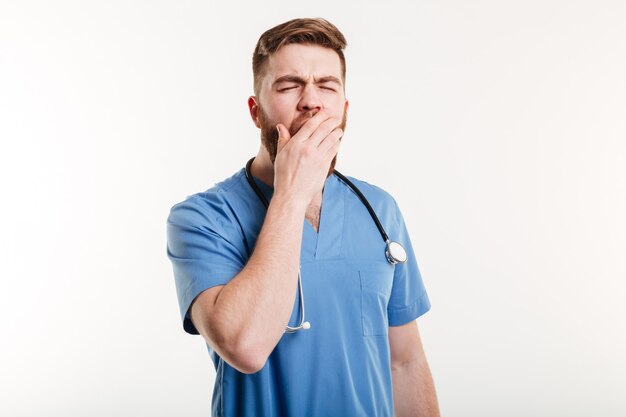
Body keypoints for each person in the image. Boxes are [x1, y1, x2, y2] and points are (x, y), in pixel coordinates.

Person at [167, 17, 440, 417]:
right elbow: (245, 347)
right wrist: (292, 195)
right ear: (255, 110)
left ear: (343, 109)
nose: (311, 100)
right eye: (290, 84)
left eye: (327, 86)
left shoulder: (380, 210)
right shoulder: (201, 219)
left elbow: (404, 362)